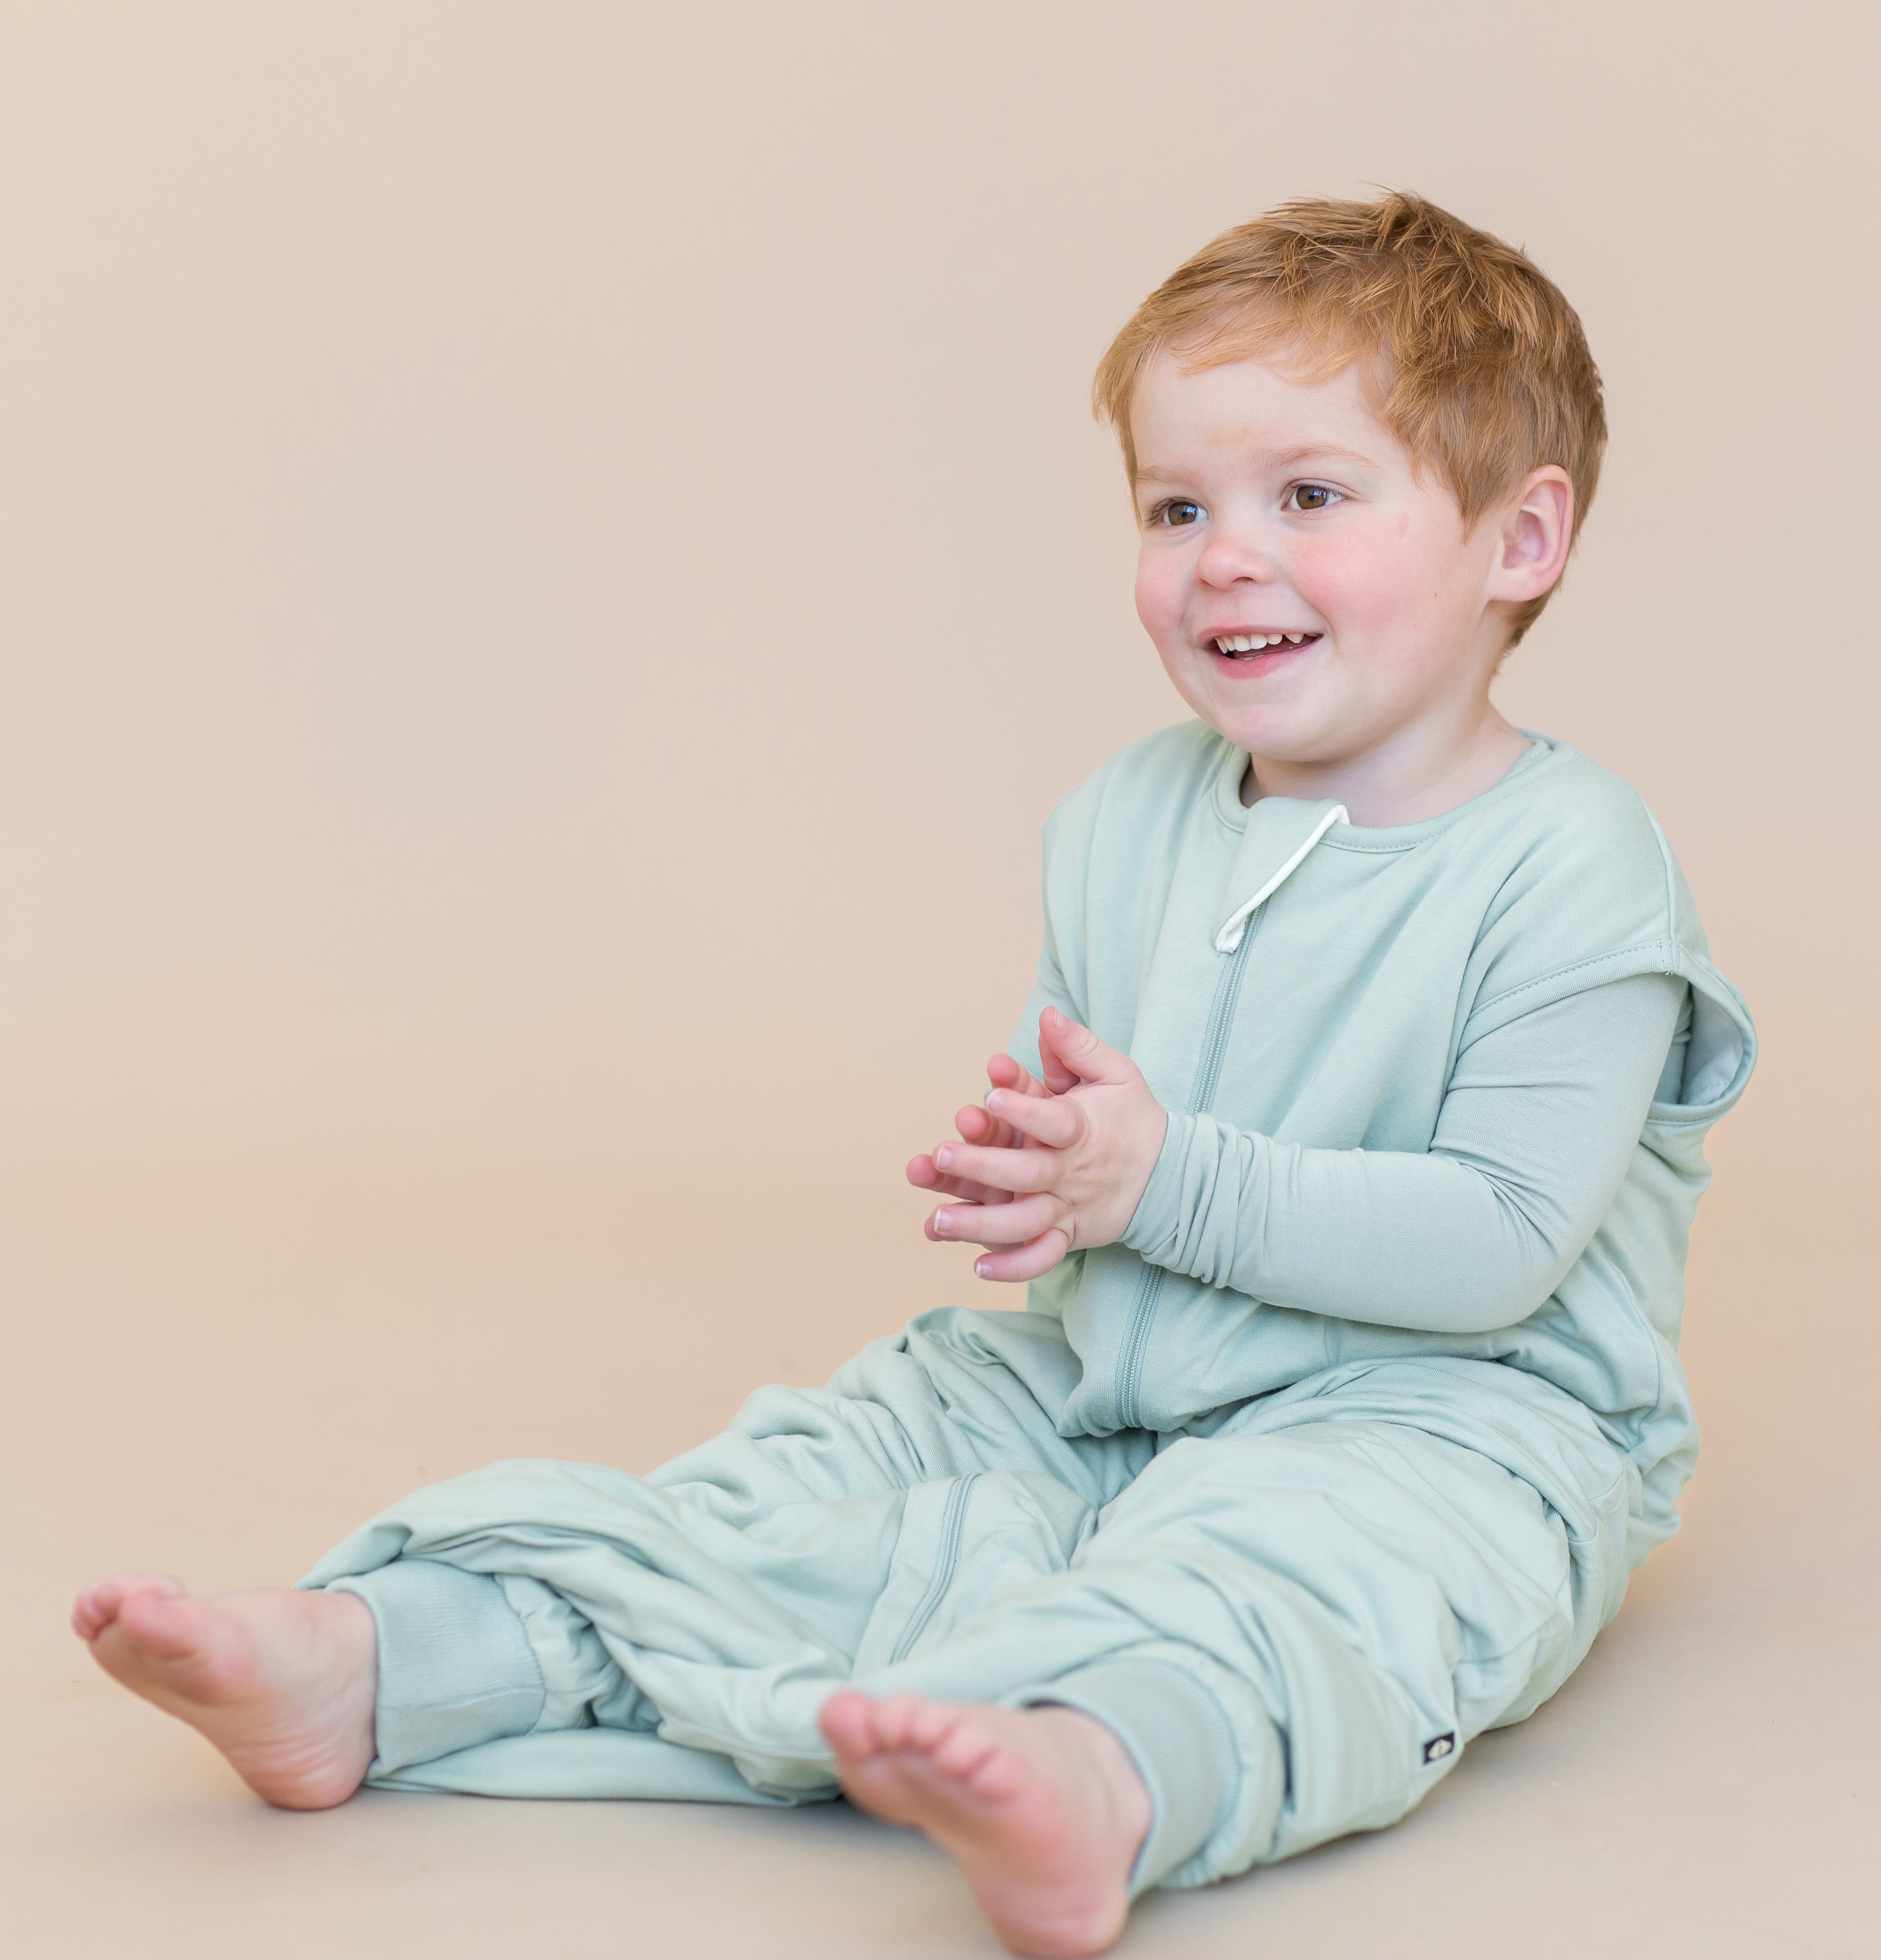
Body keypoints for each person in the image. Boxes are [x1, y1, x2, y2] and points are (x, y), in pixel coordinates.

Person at [72, 193, 1755, 1959]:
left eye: (1309, 497)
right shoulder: (1126, 815)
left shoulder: (1572, 866)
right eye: (1175, 507)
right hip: (1104, 1358)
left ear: (1518, 537)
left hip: (1443, 1412)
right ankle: (394, 1654)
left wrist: (1158, 1180)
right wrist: (1049, 1183)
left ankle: (1094, 1769)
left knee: (1312, 1582)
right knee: (815, 1479)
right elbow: (1105, 1122)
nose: (1222, 556)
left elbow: (1498, 1244)